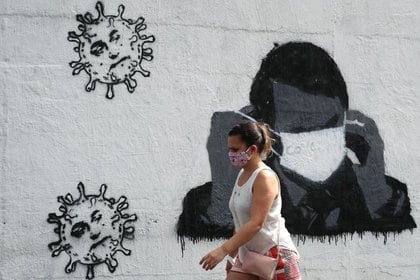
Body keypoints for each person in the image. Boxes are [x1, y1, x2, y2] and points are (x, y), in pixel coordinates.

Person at [199, 121, 301, 280]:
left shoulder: (264, 177)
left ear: (252, 149)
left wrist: (222, 250)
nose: (230, 153)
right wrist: (231, 256)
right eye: (229, 149)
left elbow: (255, 223)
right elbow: (241, 222)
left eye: (235, 149)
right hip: (250, 254)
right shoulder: (242, 174)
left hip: (276, 255)